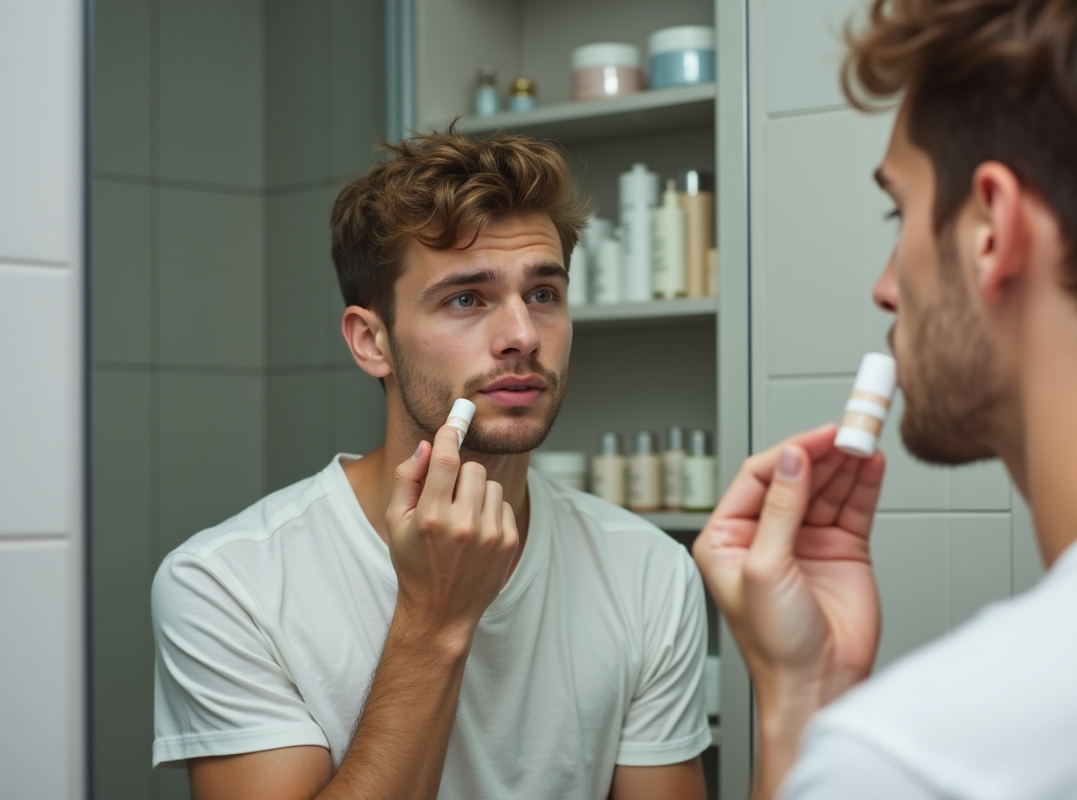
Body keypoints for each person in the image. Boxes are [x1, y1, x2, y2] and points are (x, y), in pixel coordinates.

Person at [693, 0, 1077, 797]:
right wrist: (810, 688)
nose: (885, 286)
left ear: (991, 229)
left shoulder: (914, 758)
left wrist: (807, 722)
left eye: (901, 211)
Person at [151, 130, 711, 800]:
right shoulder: (228, 585)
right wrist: (435, 619)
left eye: (543, 294)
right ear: (372, 341)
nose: (523, 337)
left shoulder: (650, 572)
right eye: (466, 299)